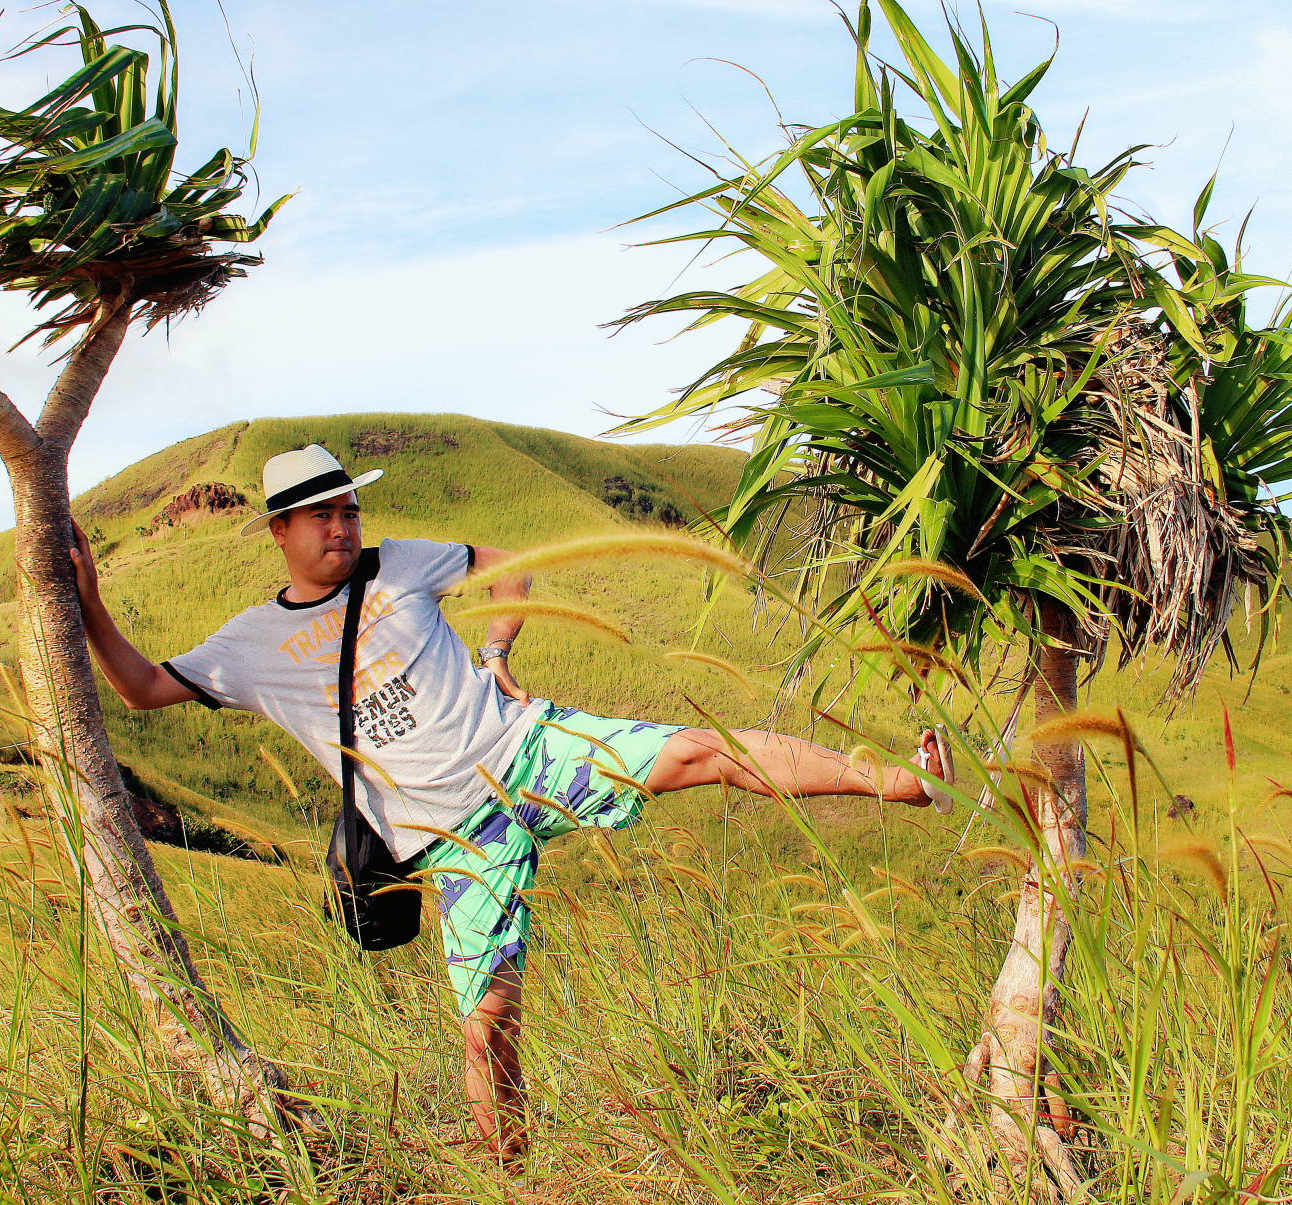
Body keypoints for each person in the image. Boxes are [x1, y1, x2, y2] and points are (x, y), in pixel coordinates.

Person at [68, 444, 953, 1165]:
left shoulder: (398, 566)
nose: (341, 527)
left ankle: (905, 782)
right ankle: (511, 1175)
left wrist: (494, 652)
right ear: (280, 531)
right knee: (488, 1026)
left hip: (526, 750)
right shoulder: (250, 645)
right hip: (451, 837)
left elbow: (516, 570)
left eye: (349, 509)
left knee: (697, 750)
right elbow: (145, 686)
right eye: (321, 515)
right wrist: (92, 603)